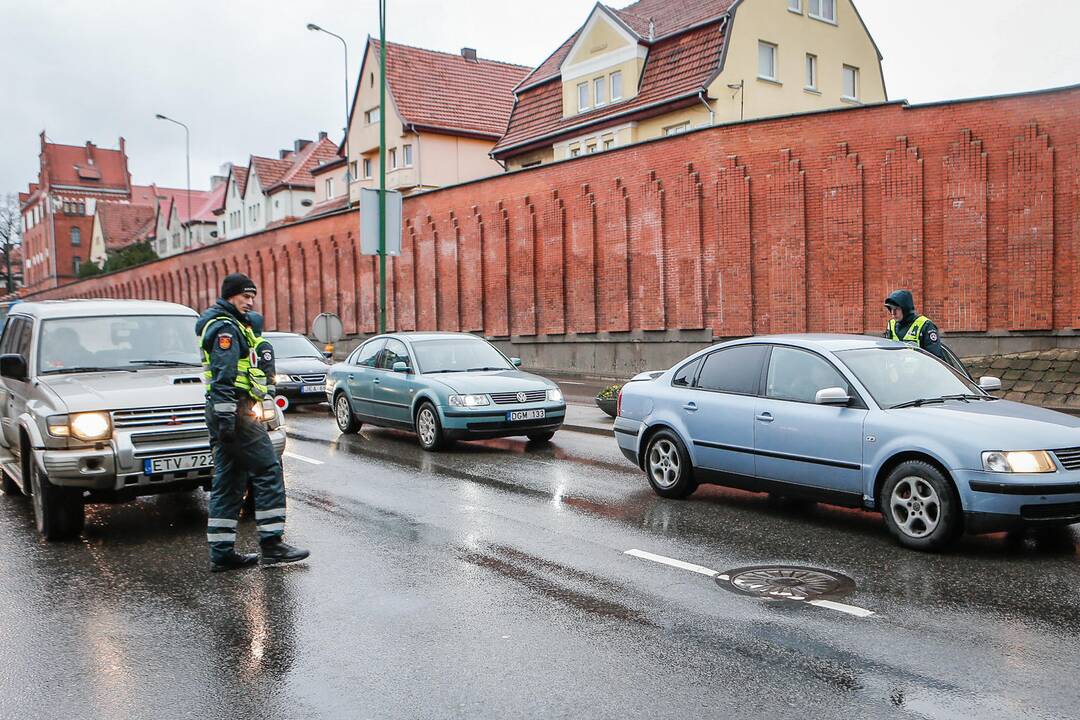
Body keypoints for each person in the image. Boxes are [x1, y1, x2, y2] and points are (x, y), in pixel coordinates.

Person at [196, 272, 309, 572]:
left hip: (227, 410)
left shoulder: (230, 324)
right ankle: (272, 544)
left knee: (229, 480)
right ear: (230, 295)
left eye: (252, 297)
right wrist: (225, 416)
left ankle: (221, 553)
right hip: (235, 408)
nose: (250, 302)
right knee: (268, 467)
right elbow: (223, 375)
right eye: (245, 296)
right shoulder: (225, 328)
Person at [884, 289, 944, 359]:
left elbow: (935, 358)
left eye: (896, 309)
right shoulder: (891, 324)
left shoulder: (925, 325)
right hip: (897, 369)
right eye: (891, 308)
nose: (893, 313)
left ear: (906, 309)